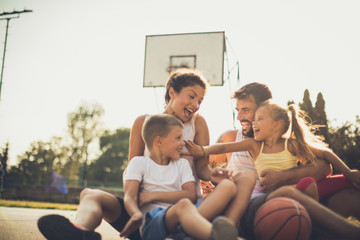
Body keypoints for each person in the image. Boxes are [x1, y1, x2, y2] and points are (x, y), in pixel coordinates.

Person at [37, 68, 248, 240]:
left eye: (200, 101)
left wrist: (214, 174)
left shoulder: (198, 124)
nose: (196, 105)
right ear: (172, 92)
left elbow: (202, 168)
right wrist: (134, 206)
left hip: (181, 209)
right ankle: (80, 233)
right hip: (144, 211)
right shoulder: (143, 122)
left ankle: (200, 232)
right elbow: (133, 169)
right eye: (191, 96)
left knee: (202, 199)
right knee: (90, 194)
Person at [207, 82, 360, 239]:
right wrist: (206, 184)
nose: (239, 117)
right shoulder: (231, 138)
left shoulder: (284, 141)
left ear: (265, 109)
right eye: (238, 110)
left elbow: (324, 166)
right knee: (288, 206)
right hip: (254, 208)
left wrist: (282, 177)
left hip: (289, 201)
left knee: (350, 197)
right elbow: (205, 167)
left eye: (245, 110)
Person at [186, 100, 360, 201]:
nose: (253, 122)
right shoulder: (254, 145)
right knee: (304, 188)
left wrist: (348, 172)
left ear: (276, 125)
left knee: (347, 182)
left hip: (301, 188)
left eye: (259, 119)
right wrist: (202, 150)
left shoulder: (290, 145)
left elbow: (325, 154)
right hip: (278, 196)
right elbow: (224, 147)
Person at [122, 114, 239, 240]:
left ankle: (190, 232)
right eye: (178, 138)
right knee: (183, 205)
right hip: (154, 221)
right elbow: (130, 196)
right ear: (159, 141)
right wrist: (135, 214)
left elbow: (191, 195)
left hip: (185, 216)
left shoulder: (182, 164)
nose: (183, 142)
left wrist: (152, 195)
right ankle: (217, 236)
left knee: (229, 186)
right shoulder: (139, 163)